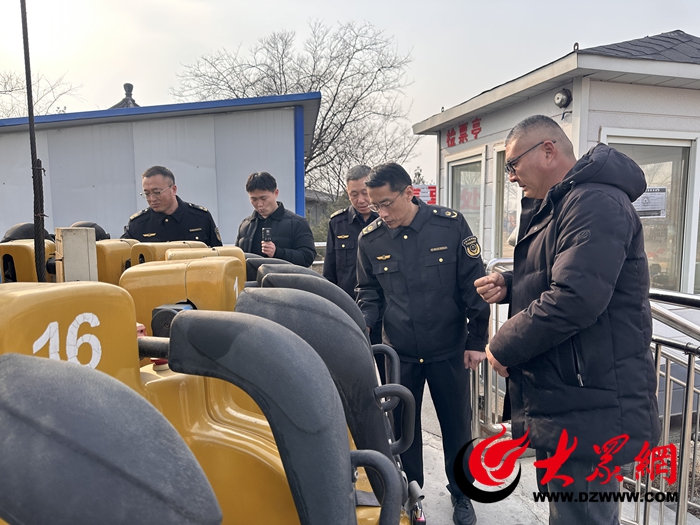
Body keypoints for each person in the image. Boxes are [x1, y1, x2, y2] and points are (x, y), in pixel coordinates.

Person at [475, 115, 660, 525]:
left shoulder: (594, 202)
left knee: (583, 517)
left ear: (548, 150)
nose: (511, 177)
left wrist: (502, 344)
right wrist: (511, 283)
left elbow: (576, 298)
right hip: (570, 396)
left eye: (512, 164)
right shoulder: (565, 202)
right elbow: (564, 275)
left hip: (589, 400)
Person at [356, 163, 489, 525]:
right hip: (400, 353)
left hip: (449, 348)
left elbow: (473, 285)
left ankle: (462, 493)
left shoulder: (449, 225)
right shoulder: (370, 239)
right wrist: (364, 323)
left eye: (386, 204)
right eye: (375, 206)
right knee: (404, 431)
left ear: (409, 193)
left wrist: (477, 340)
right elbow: (368, 291)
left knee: (456, 426)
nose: (382, 214)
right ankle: (412, 496)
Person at [323, 165, 382, 343]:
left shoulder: (386, 220)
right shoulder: (338, 223)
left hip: (383, 310)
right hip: (348, 307)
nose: (361, 200)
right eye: (353, 194)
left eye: (365, 193)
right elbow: (330, 272)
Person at [121, 166, 222, 247]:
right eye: (147, 194)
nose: (151, 199)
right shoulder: (138, 225)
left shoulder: (200, 217)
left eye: (157, 192)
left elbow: (218, 255)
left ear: (173, 189)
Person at [235, 172, 316, 267]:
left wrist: (277, 252)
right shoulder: (245, 225)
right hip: (250, 277)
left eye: (263, 198)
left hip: (283, 276)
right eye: (254, 199)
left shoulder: (297, 223)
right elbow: (237, 259)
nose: (259, 204)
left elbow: (307, 257)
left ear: (276, 193)